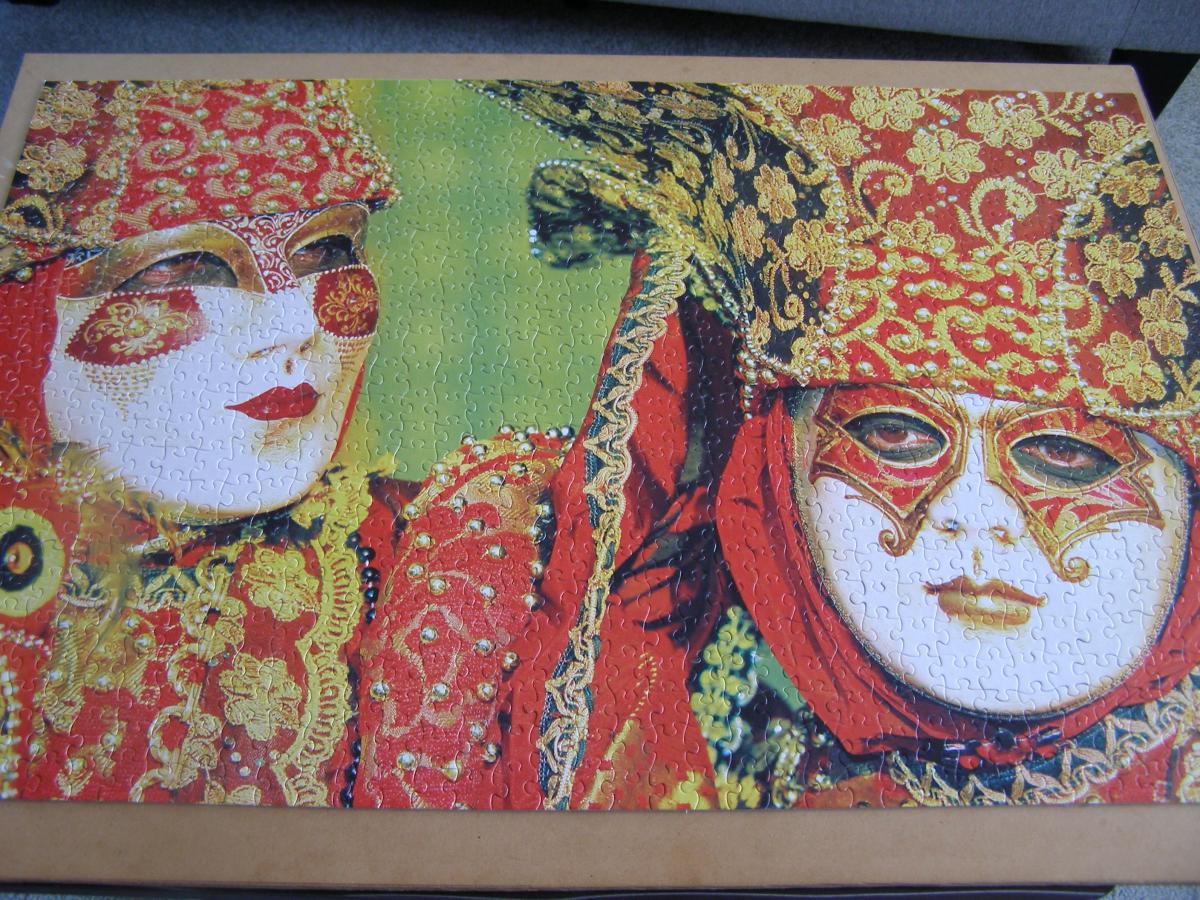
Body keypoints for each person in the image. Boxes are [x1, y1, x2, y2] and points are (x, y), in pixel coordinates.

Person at [465, 80, 1200, 808]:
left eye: (1065, 455)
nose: (974, 514)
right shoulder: (728, 770)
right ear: (771, 483)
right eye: (896, 435)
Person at [0, 79, 562, 807]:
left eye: (326, 251)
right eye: (188, 265)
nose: (294, 324)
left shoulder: (457, 570)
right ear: (27, 305)